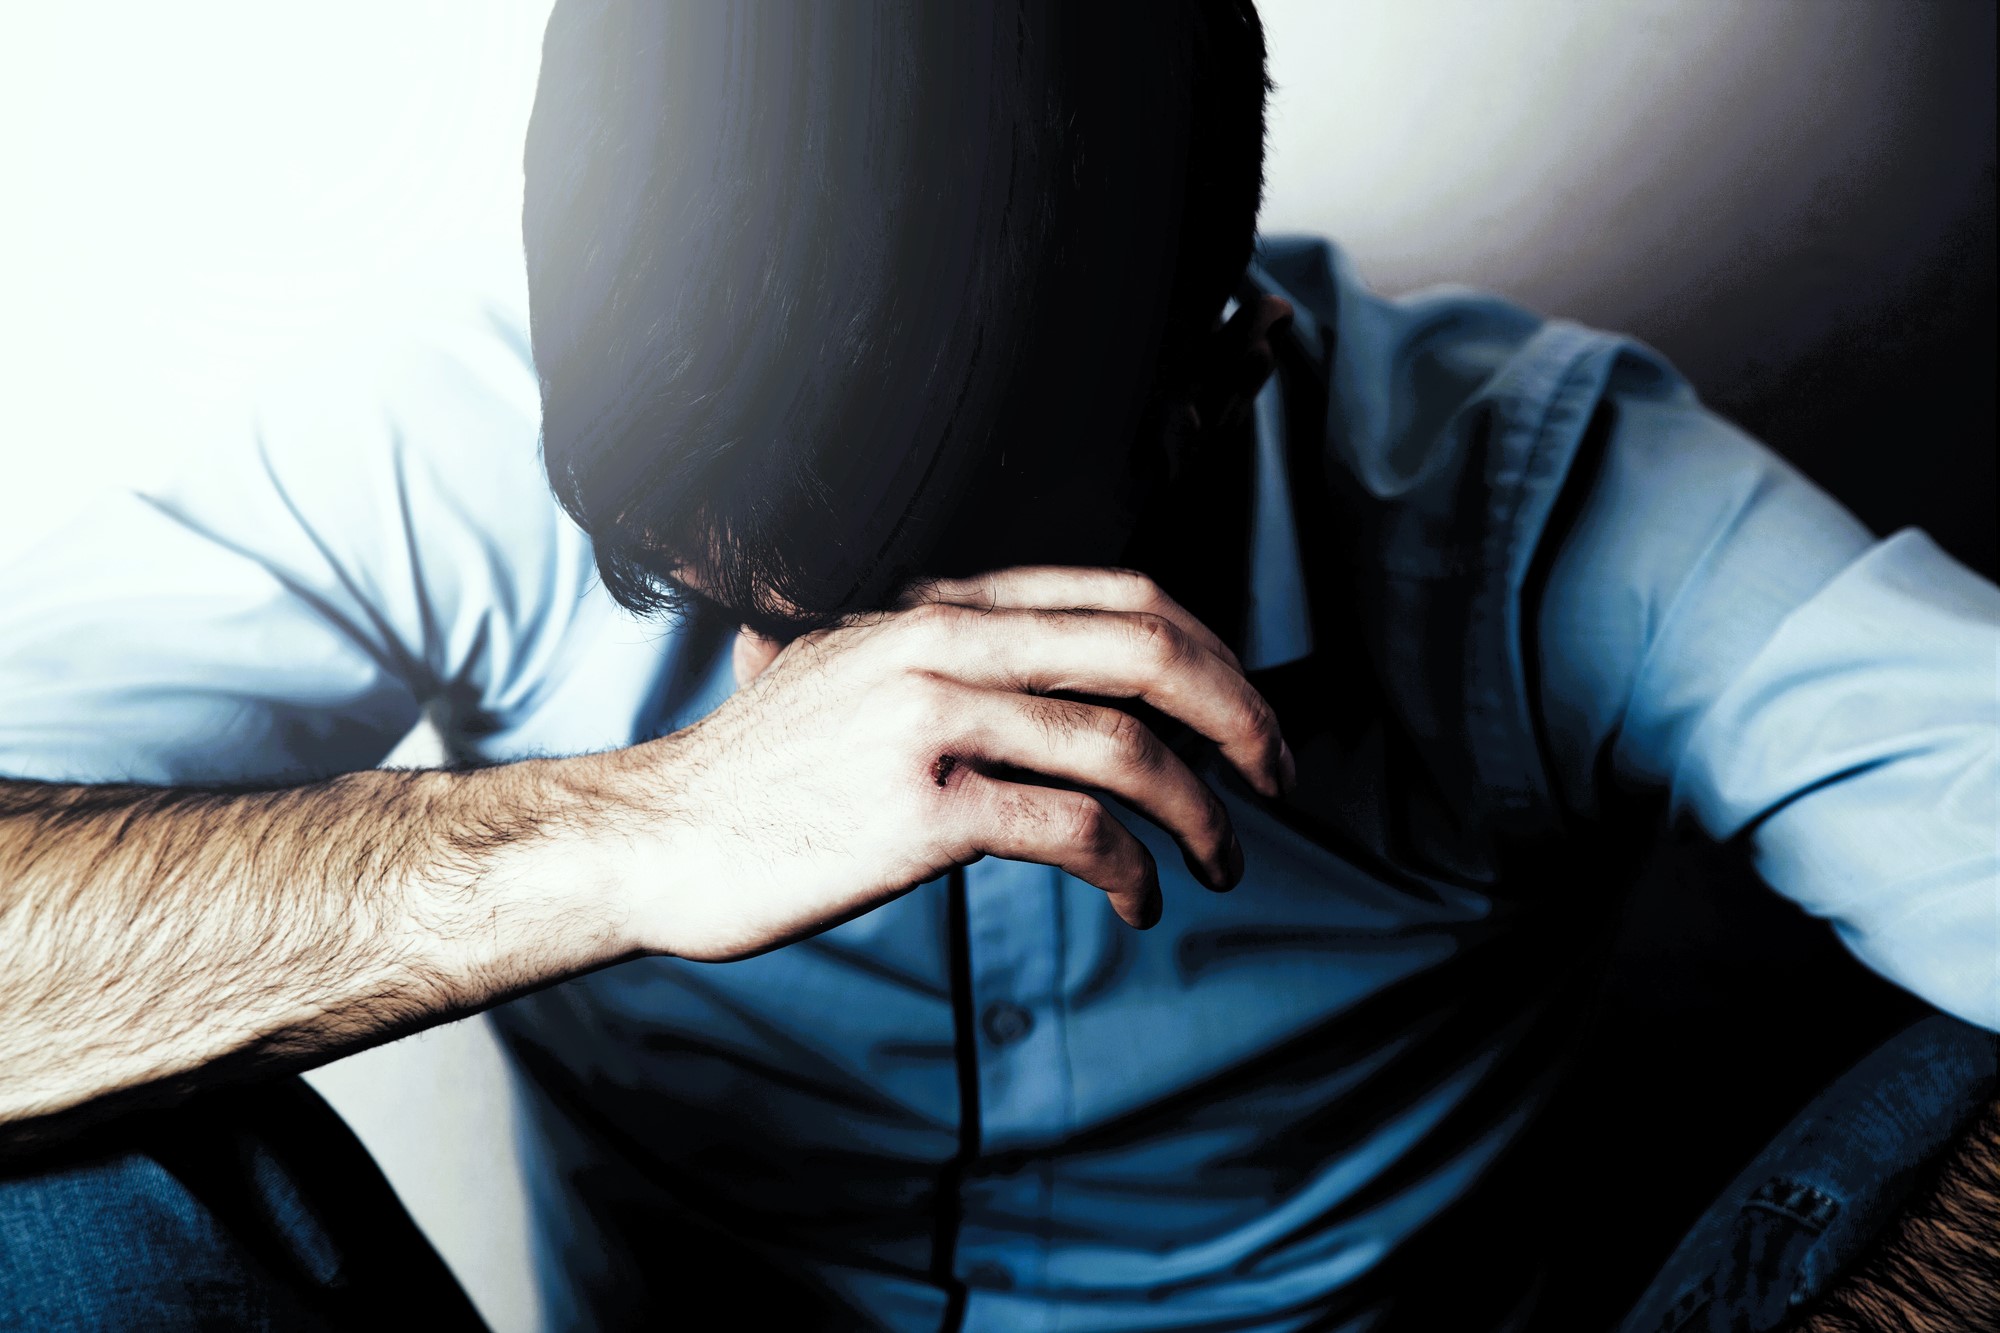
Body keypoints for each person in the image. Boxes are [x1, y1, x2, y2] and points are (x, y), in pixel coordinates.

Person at [1, 3, 1993, 1330]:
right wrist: (616, 837)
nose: (825, 695)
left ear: (1212, 374)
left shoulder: (1531, 502)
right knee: (66, 1157)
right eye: (696, 581)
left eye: (919, 591)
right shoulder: (452, 430)